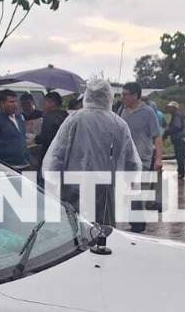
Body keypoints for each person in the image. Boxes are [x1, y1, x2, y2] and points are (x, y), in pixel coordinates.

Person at [42, 78, 141, 227]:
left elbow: (57, 155)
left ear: (87, 95)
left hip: (74, 186)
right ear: (109, 96)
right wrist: (131, 181)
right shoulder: (119, 124)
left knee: (77, 230)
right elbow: (132, 161)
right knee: (104, 231)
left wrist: (51, 180)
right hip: (106, 190)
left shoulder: (74, 119)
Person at [118, 84, 163, 232]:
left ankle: (137, 224)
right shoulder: (121, 111)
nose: (122, 97)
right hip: (125, 158)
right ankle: (136, 221)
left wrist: (158, 159)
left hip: (142, 158)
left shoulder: (148, 112)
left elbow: (157, 136)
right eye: (122, 94)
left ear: (136, 95)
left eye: (125, 94)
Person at [0, 89, 31, 168]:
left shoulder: (20, 117)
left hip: (25, 164)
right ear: (2, 103)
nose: (15, 104)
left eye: (16, 101)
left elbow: (23, 138)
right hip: (8, 167)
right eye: (11, 102)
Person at [34, 92, 68, 160]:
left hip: (50, 154)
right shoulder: (66, 115)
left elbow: (45, 138)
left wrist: (35, 138)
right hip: (64, 152)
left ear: (52, 103)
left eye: (45, 102)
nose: (43, 105)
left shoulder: (49, 117)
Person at [164, 102, 185, 179]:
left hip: (179, 138)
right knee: (180, 155)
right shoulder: (178, 114)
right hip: (181, 138)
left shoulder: (177, 115)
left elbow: (177, 126)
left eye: (170, 107)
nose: (169, 109)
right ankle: (181, 171)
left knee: (180, 155)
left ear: (174, 108)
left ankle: (181, 172)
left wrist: (168, 132)